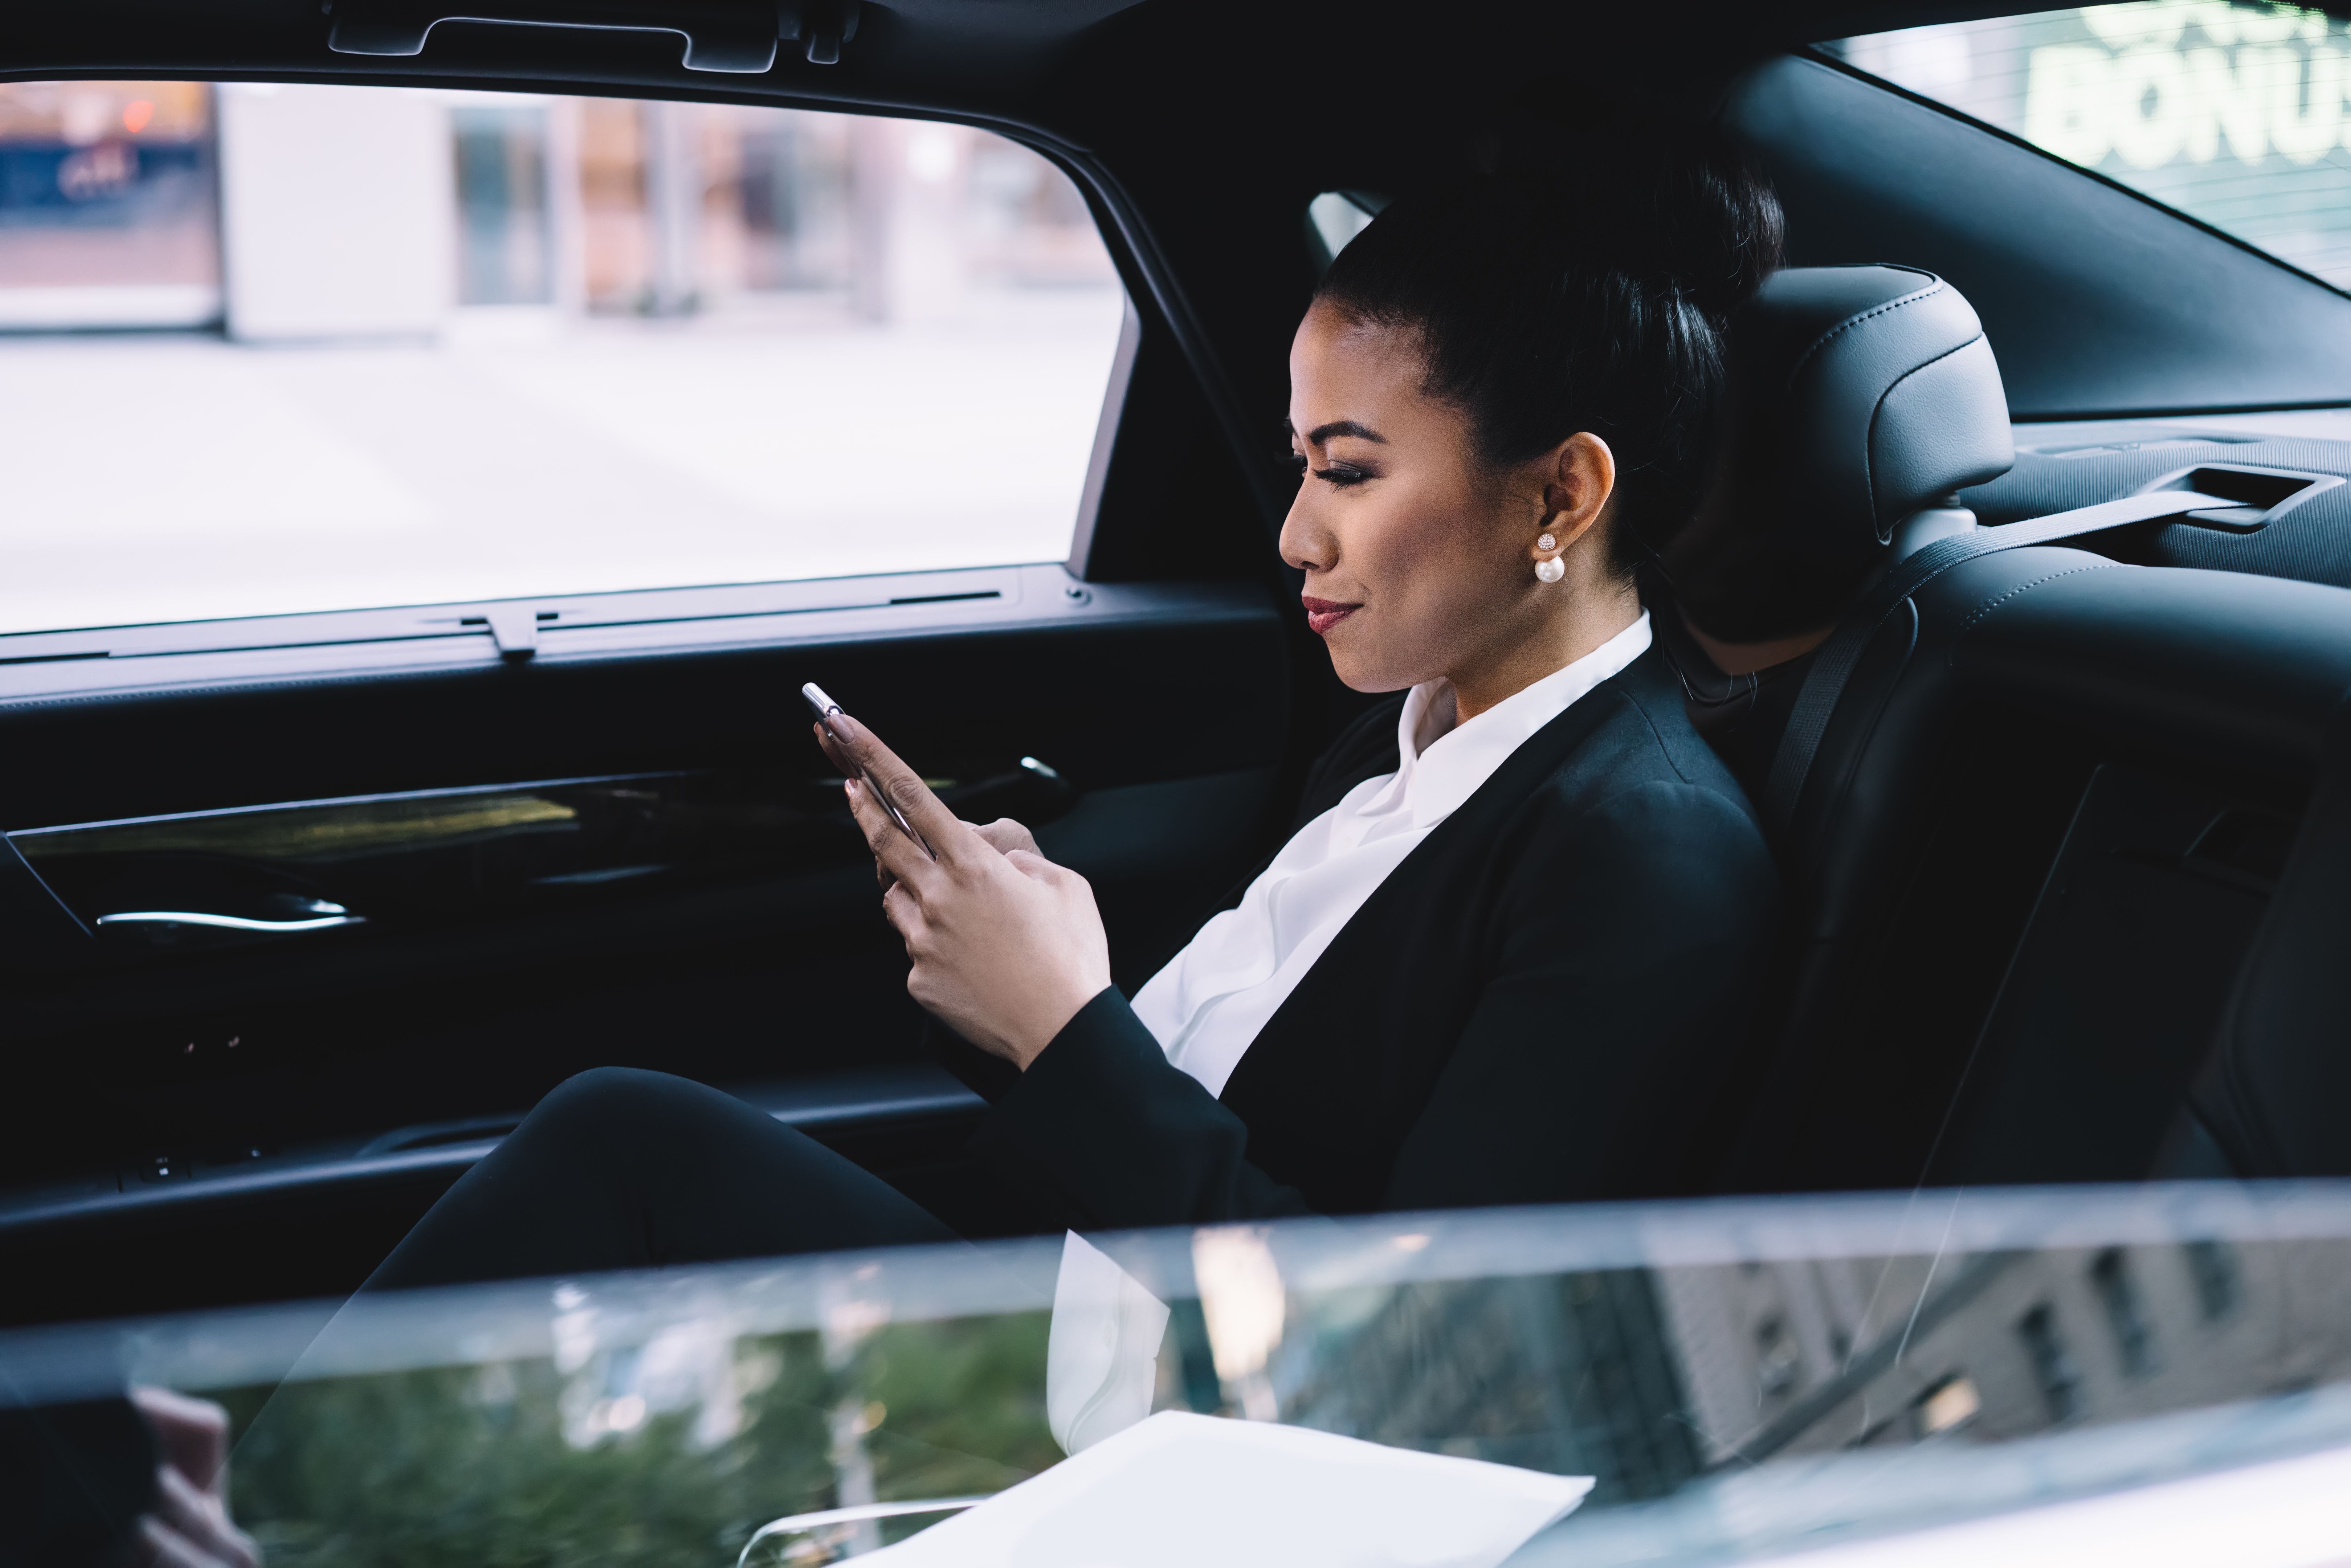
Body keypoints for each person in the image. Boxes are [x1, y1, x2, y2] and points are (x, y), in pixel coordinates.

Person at [363, 118, 1785, 1293]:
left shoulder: (1641, 855)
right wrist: (1020, 974)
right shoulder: (1410, 735)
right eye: (1301, 466)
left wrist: (1065, 1025)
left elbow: (1409, 1350)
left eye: (1347, 472)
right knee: (623, 1132)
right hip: (1076, 1310)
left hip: (1195, 1439)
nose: (1296, 534)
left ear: (1563, 493)